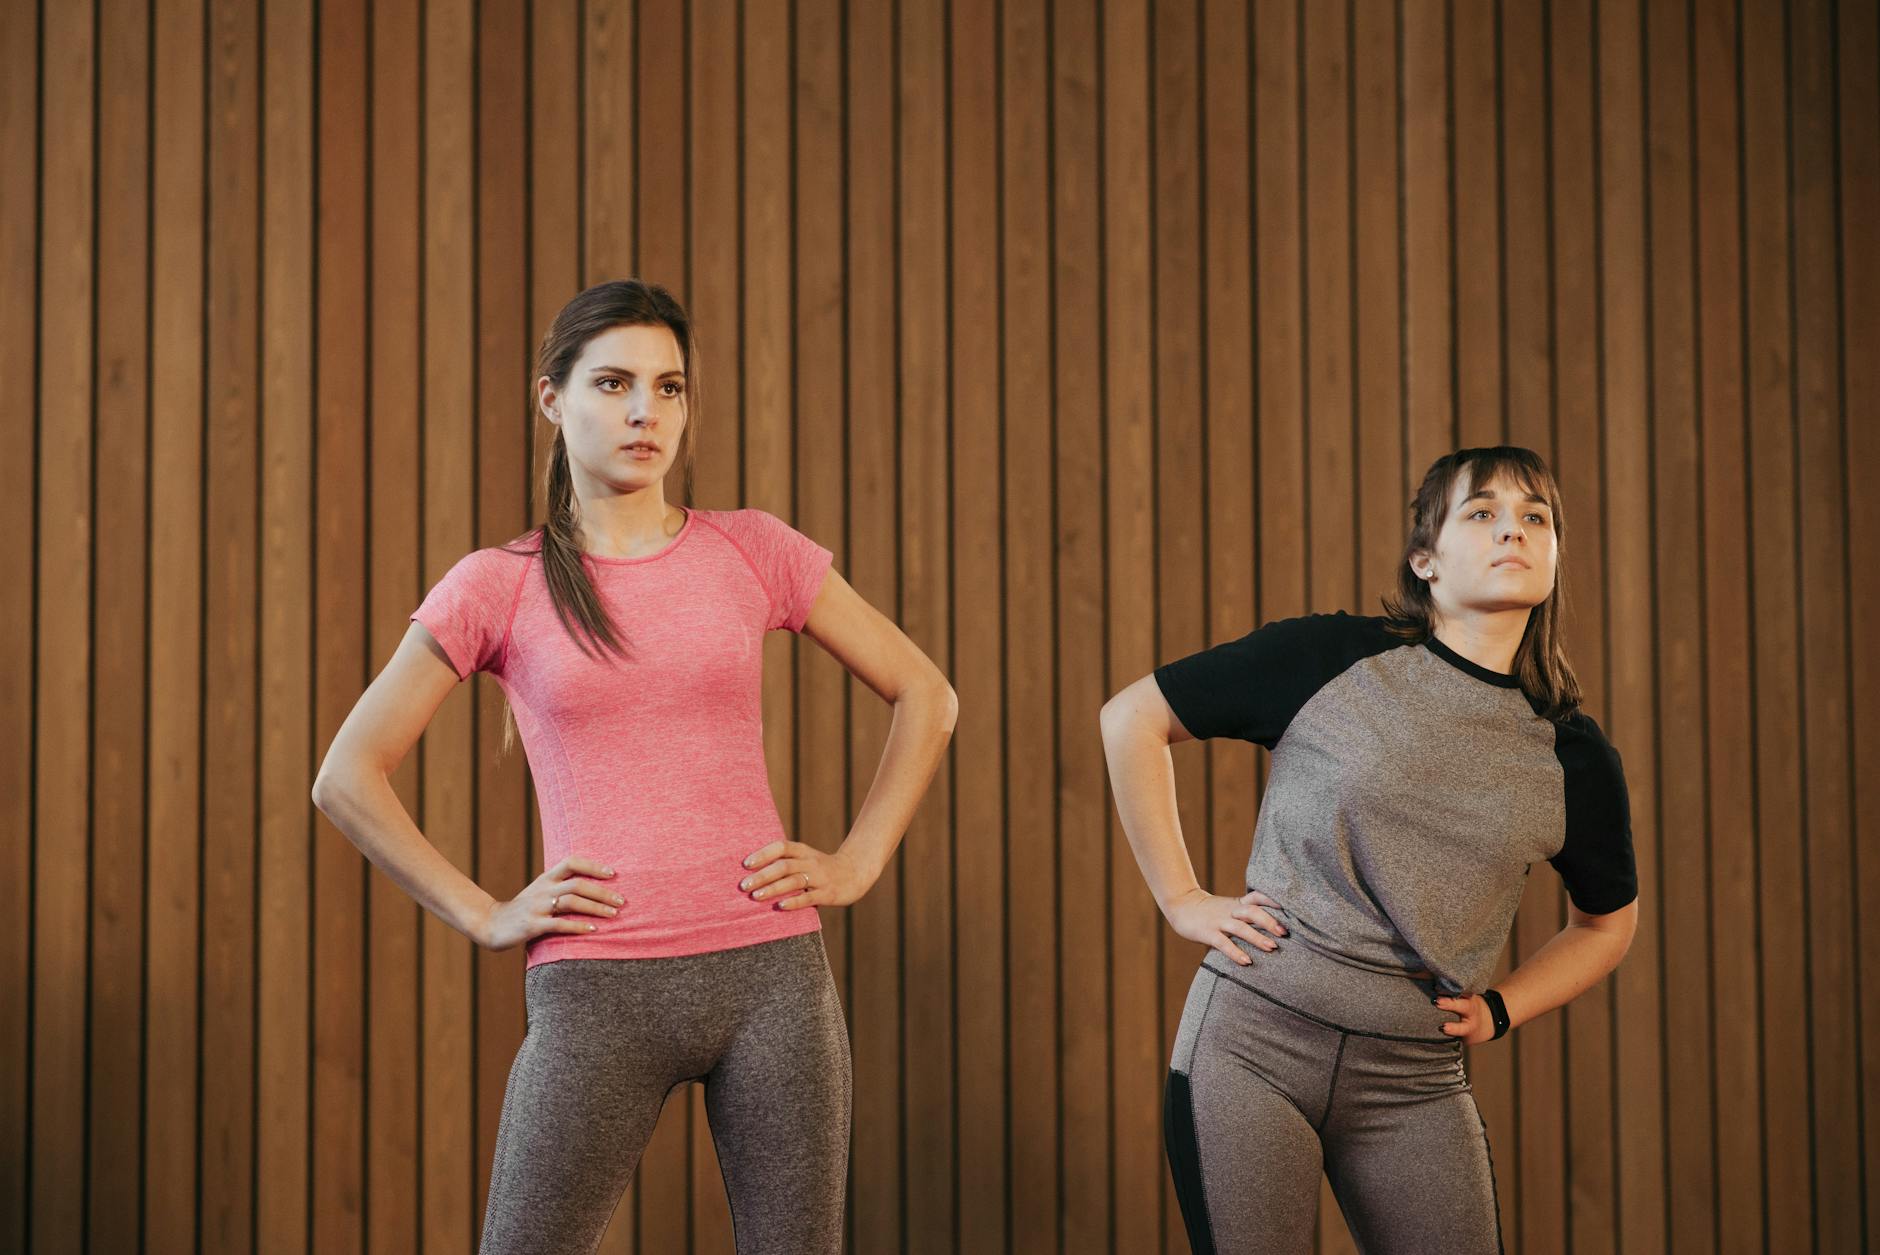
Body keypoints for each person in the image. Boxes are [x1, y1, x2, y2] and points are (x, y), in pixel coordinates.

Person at [311, 279, 957, 1255]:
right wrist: (485, 912)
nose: (645, 410)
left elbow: (927, 694)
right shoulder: (502, 582)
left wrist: (857, 860)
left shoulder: (750, 549)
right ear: (550, 399)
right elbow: (346, 774)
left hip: (772, 981)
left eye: (668, 387)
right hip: (596, 991)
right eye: (613, 383)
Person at [1099, 446, 1638, 1253]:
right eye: (1482, 512)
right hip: (1255, 1045)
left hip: (1414, 1078)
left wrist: (1503, 1006)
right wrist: (1181, 898)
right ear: (1425, 557)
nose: (1513, 531)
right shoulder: (1331, 658)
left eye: (1536, 518)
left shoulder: (1572, 755)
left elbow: (1607, 925)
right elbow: (1130, 719)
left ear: (1556, 557)